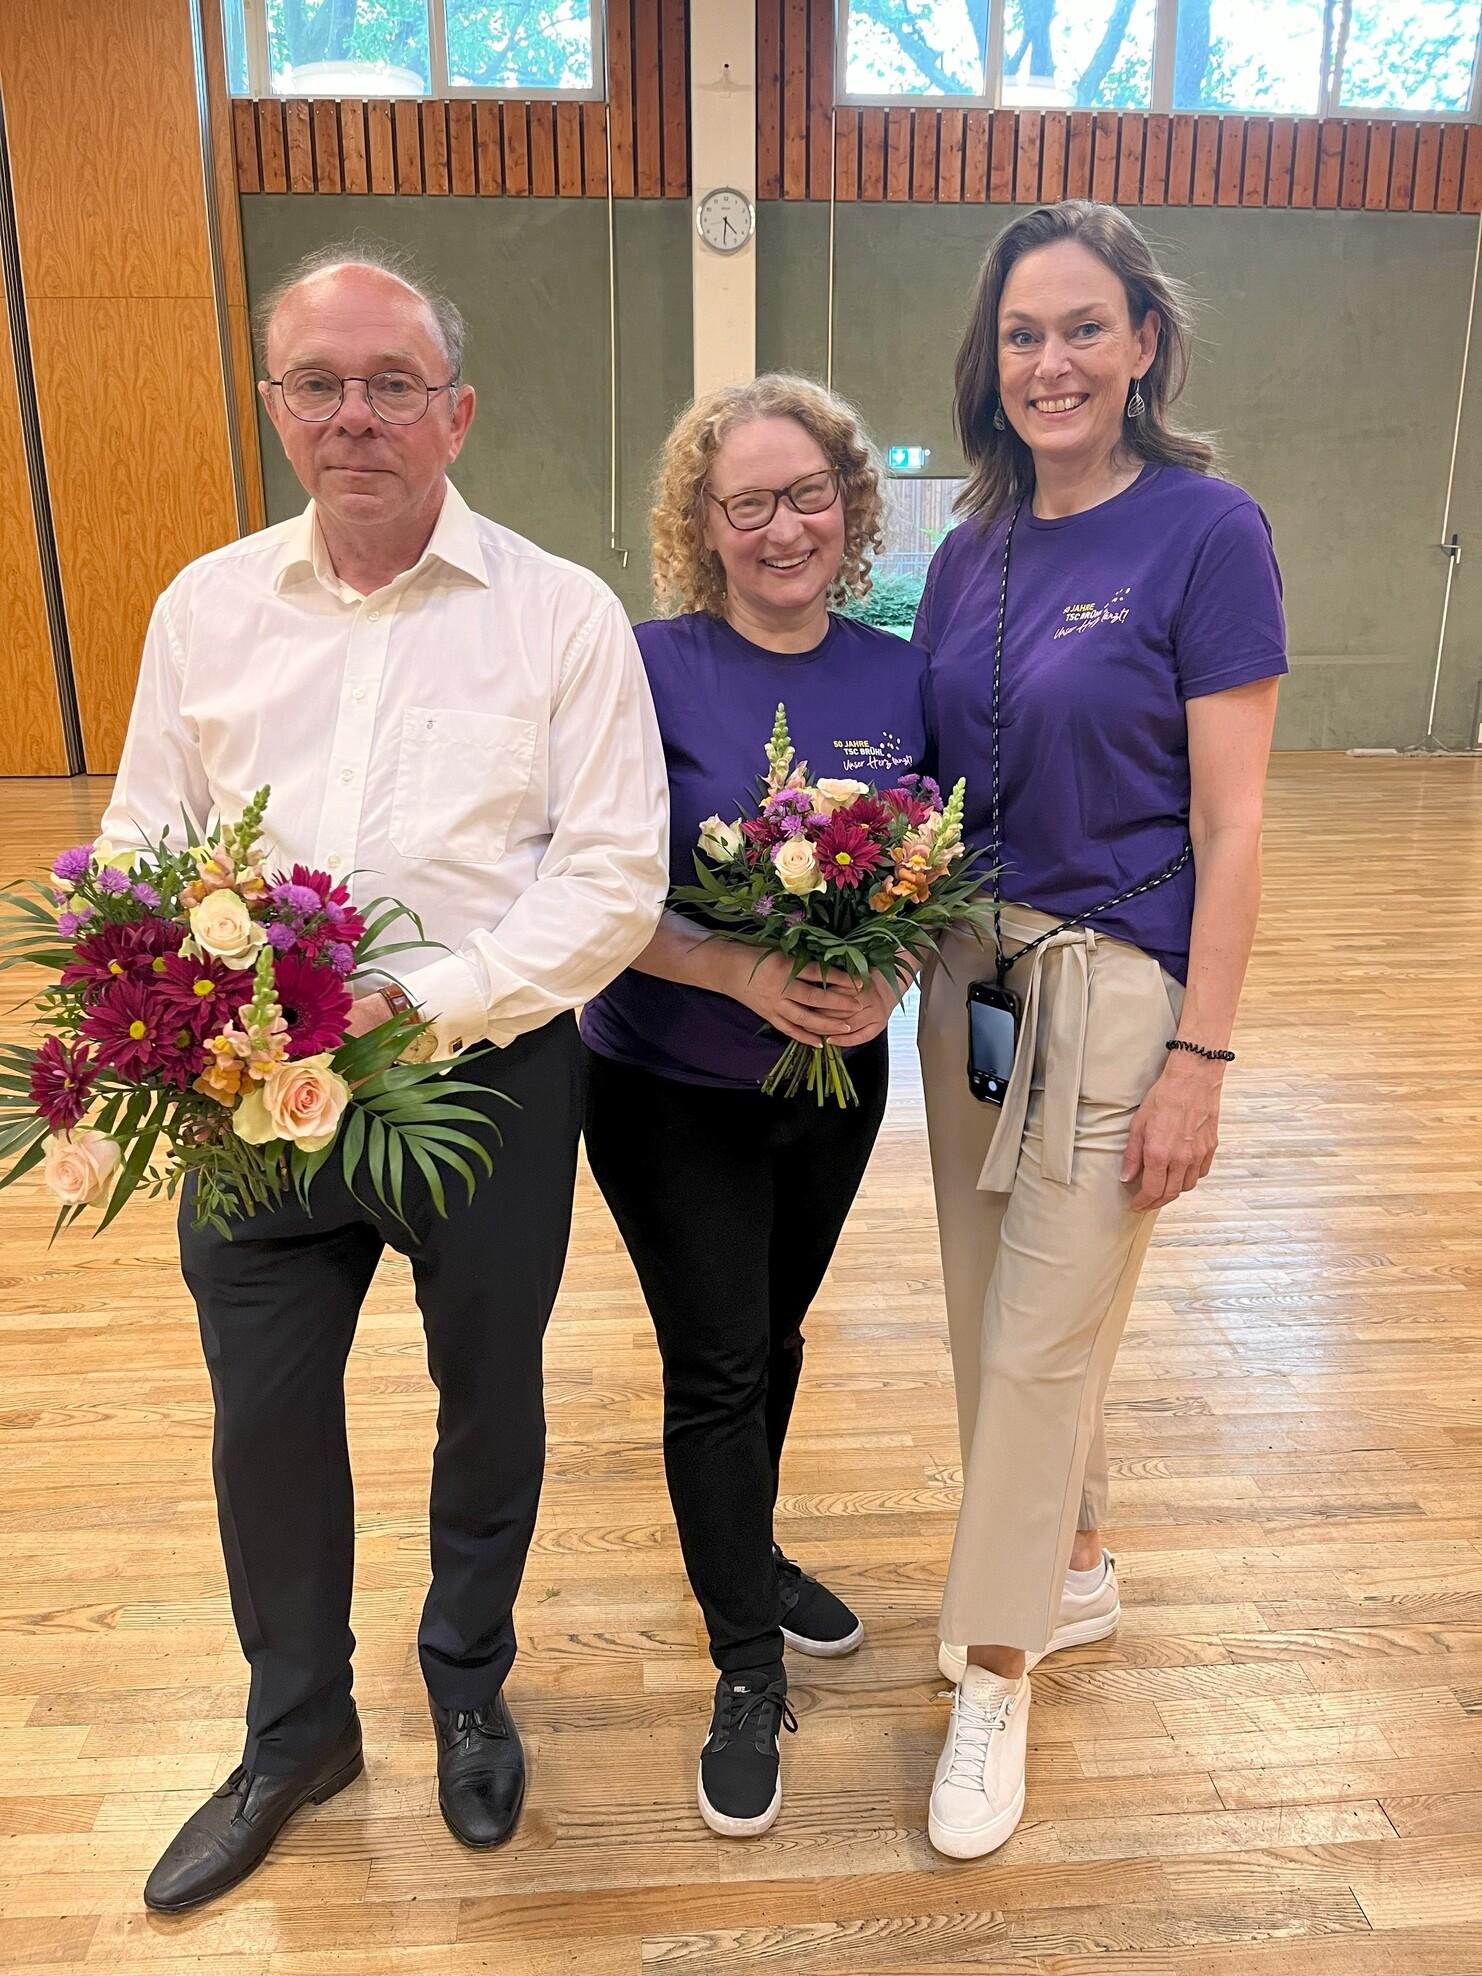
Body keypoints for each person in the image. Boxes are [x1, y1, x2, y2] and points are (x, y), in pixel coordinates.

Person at [100, 245, 669, 1912]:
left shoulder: (559, 615)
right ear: (274, 405)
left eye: (391, 384)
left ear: (456, 412)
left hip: (482, 1088)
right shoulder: (202, 607)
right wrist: (175, 990)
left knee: (489, 1399)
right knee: (264, 1417)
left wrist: (416, 1006)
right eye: (318, 384)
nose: (354, 415)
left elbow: (612, 878)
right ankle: (296, 1731)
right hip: (245, 1095)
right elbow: (138, 839)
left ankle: (468, 1684)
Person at [913, 200, 1286, 1860]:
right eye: (1021, 334)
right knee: (987, 1315)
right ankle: (1068, 1564)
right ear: (988, 365)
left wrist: (1200, 1055)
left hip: (1117, 987)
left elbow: (1235, 823)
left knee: (1040, 1340)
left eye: (1081, 328)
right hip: (969, 986)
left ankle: (992, 1669)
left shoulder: (1207, 531)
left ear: (1142, 344)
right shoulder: (968, 550)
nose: (1049, 361)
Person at [580, 374, 926, 1838]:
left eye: (807, 495)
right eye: (747, 504)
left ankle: (751, 1548)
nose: (782, 528)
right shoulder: (640, 666)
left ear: (848, 503)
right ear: (701, 523)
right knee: (716, 1363)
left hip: (835, 1083)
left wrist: (893, 971)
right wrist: (733, 970)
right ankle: (743, 1664)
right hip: (667, 1081)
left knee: (773, 1337)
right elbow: (587, 887)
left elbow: (946, 866)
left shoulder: (899, 675)